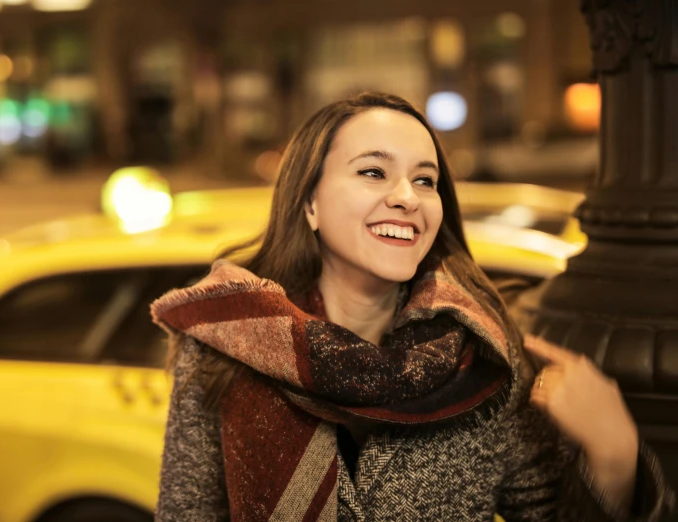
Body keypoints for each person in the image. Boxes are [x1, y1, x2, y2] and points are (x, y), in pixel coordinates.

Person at [150, 92, 675, 521]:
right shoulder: (226, 345)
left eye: (425, 180)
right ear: (309, 202)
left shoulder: (482, 360)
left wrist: (614, 456)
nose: (408, 197)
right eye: (374, 173)